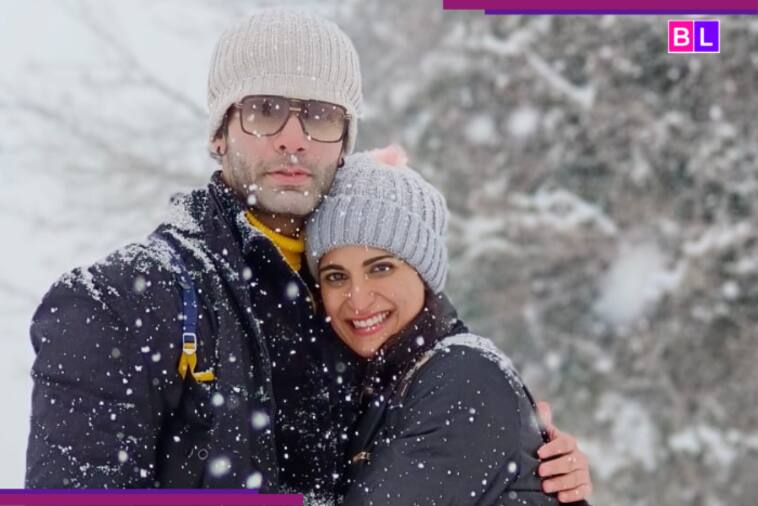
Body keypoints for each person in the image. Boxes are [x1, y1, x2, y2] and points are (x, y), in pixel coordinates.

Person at [25, 8, 591, 503]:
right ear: (219, 133)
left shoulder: (358, 298)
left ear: (343, 142)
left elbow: (449, 405)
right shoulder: (127, 300)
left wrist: (525, 462)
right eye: (265, 109)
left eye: (319, 115)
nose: (293, 138)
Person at [304, 153, 591, 505]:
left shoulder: (464, 379)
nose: (358, 300)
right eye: (336, 276)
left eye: (380, 268)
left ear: (424, 274)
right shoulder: (377, 389)